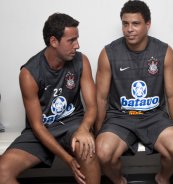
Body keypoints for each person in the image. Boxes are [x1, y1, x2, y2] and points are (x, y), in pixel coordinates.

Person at [0, 13, 100, 184]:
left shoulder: (81, 61)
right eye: (71, 40)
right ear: (54, 41)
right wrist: (68, 160)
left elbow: (92, 107)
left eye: (77, 39)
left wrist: (84, 129)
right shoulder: (29, 73)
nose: (77, 45)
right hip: (42, 130)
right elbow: (37, 126)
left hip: (72, 124)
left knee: (86, 149)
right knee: (2, 171)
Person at [95, 1, 173, 184]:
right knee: (103, 153)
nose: (129, 29)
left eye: (135, 23)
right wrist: (98, 132)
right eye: (125, 23)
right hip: (120, 118)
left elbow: (172, 95)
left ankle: (162, 178)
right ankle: (118, 180)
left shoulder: (164, 51)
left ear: (148, 24)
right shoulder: (108, 53)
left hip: (154, 117)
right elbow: (101, 97)